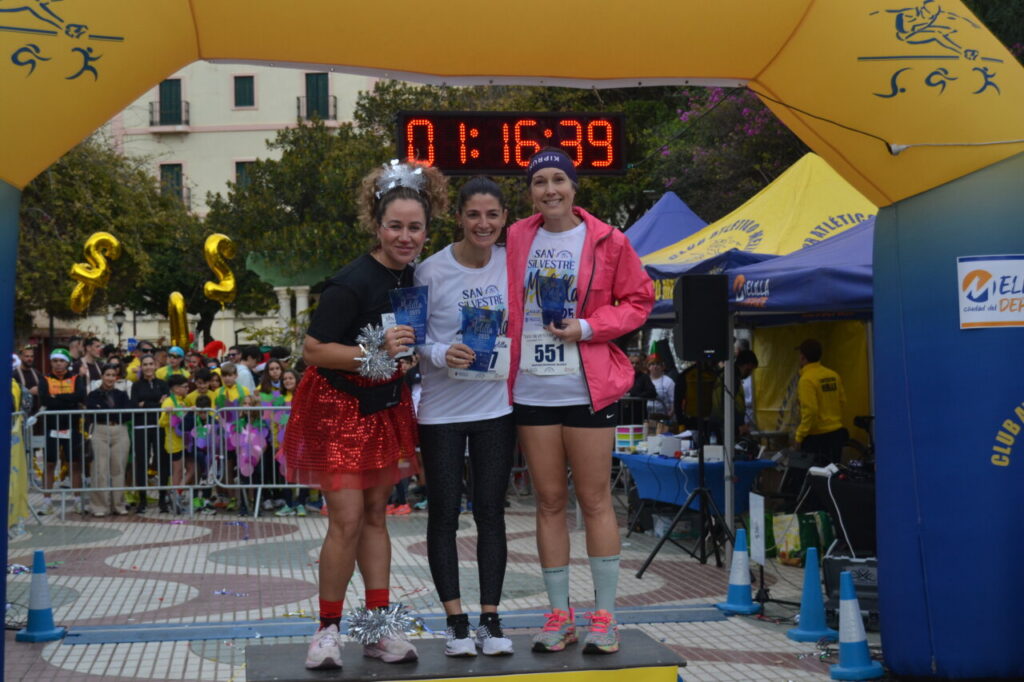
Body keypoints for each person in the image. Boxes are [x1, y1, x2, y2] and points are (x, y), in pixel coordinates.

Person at [281, 160, 447, 671]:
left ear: (426, 229)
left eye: (414, 227)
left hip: (384, 408)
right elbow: (312, 351)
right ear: (377, 226)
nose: (405, 236)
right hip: (336, 409)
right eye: (395, 226)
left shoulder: (418, 276)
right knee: (347, 520)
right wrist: (373, 351)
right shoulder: (351, 281)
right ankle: (326, 632)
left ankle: (377, 631)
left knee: (376, 518)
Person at [506, 148, 654, 654]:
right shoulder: (516, 237)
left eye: (558, 180)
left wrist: (588, 327)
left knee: (594, 500)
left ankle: (605, 616)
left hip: (587, 387)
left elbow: (639, 301)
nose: (550, 190)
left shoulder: (609, 240)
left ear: (574, 186)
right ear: (530, 191)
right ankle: (557, 616)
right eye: (539, 182)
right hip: (530, 389)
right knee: (547, 502)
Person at [414, 176, 516, 657]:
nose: (483, 223)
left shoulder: (512, 264)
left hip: (496, 408)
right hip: (441, 413)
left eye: (492, 215)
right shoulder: (429, 271)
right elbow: (411, 339)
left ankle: (490, 620)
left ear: (504, 219)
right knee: (444, 516)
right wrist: (439, 353)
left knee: (491, 514)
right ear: (458, 216)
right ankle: (455, 622)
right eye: (474, 214)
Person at [38, 348, 87, 515]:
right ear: (51, 362)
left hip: (72, 427)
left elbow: (80, 396)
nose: (58, 364)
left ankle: (78, 500)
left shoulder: (76, 378)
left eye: (61, 361)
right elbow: (44, 399)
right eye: (55, 361)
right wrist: (67, 400)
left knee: (74, 463)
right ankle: (47, 501)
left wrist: (56, 398)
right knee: (50, 463)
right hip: (52, 427)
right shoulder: (45, 379)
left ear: (67, 363)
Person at [85, 363, 132, 516]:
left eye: (113, 375)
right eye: (107, 375)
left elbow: (126, 413)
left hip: (120, 431)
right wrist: (112, 412)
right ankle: (99, 506)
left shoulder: (122, 394)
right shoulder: (93, 395)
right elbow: (93, 412)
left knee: (118, 468)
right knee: (100, 469)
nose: (110, 378)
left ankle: (118, 505)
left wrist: (106, 411)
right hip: (100, 431)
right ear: (102, 377)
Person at [794, 339, 847, 465]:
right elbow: (842, 401)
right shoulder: (833, 375)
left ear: (803, 357)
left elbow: (810, 411)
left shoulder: (806, 380)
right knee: (832, 476)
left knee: (814, 478)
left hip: (816, 438)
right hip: (835, 433)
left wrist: (799, 436)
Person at [130, 354, 168, 513]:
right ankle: (142, 500)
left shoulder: (163, 384)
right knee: (142, 463)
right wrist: (154, 403)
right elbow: (134, 404)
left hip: (159, 427)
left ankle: (163, 499)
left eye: (151, 364)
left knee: (162, 462)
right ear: (141, 367)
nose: (148, 367)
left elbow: (165, 403)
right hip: (141, 428)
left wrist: (145, 403)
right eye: (145, 364)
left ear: (155, 365)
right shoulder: (136, 386)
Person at [159, 374, 191, 513]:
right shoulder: (168, 402)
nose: (187, 389)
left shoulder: (182, 401)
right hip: (173, 442)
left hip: (184, 441)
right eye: (184, 387)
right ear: (176, 389)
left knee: (191, 469)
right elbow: (161, 422)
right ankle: (175, 497)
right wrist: (169, 414)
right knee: (177, 471)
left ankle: (177, 493)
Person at [646, 354, 675, 427]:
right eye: (652, 364)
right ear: (648, 367)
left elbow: (673, 401)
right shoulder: (644, 380)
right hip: (646, 418)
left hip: (663, 418)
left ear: (662, 367)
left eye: (658, 364)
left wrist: (669, 415)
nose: (655, 366)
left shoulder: (668, 381)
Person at [13, 344, 43, 414]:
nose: (30, 359)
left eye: (31, 356)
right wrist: (28, 392)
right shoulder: (14, 374)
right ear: (21, 357)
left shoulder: (37, 373)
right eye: (27, 356)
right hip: (21, 415)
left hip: (36, 415)